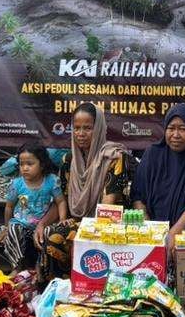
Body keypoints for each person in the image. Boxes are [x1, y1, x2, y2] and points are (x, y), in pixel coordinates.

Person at [36, 103, 137, 282]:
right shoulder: (69, 160)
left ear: (98, 129)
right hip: (78, 220)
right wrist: (41, 224)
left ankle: (69, 285)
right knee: (47, 232)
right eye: (77, 128)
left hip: (108, 222)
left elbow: (109, 204)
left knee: (55, 237)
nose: (81, 134)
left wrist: (83, 233)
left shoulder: (113, 157)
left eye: (88, 128)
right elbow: (62, 199)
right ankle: (56, 290)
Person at [130, 104, 185, 248]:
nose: (176, 135)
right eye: (171, 128)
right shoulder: (153, 154)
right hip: (151, 232)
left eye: (183, 129)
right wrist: (148, 228)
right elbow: (138, 196)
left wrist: (173, 234)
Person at [3, 143, 68, 272]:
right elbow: (9, 207)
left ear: (42, 164)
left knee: (50, 233)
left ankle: (42, 266)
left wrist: (62, 220)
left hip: (43, 223)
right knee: (14, 229)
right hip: (22, 223)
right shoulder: (17, 184)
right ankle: (17, 266)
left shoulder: (51, 181)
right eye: (22, 164)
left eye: (29, 164)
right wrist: (6, 227)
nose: (25, 168)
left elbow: (60, 202)